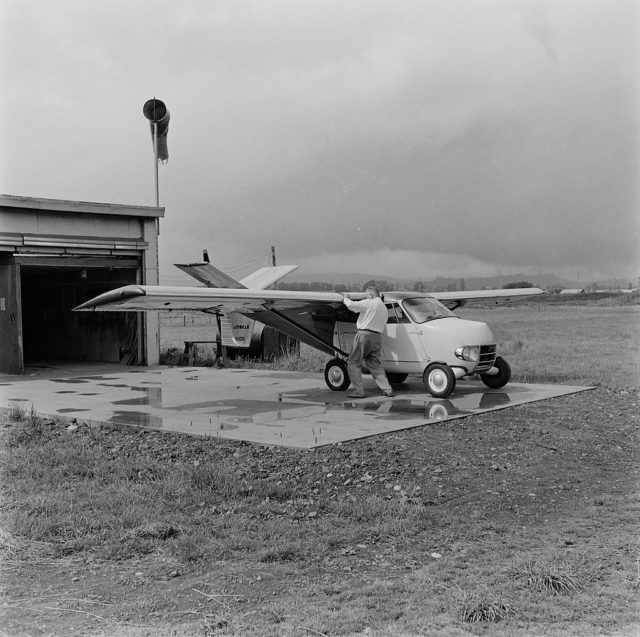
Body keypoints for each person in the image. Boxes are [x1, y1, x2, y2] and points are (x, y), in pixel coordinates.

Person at [342, 286, 394, 398]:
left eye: (367, 295)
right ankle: (387, 389)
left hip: (364, 335)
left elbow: (352, 306)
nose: (366, 297)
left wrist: (346, 298)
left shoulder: (369, 302)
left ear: (370, 295)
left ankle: (359, 391)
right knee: (375, 364)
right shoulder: (384, 308)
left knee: (353, 362)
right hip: (378, 337)